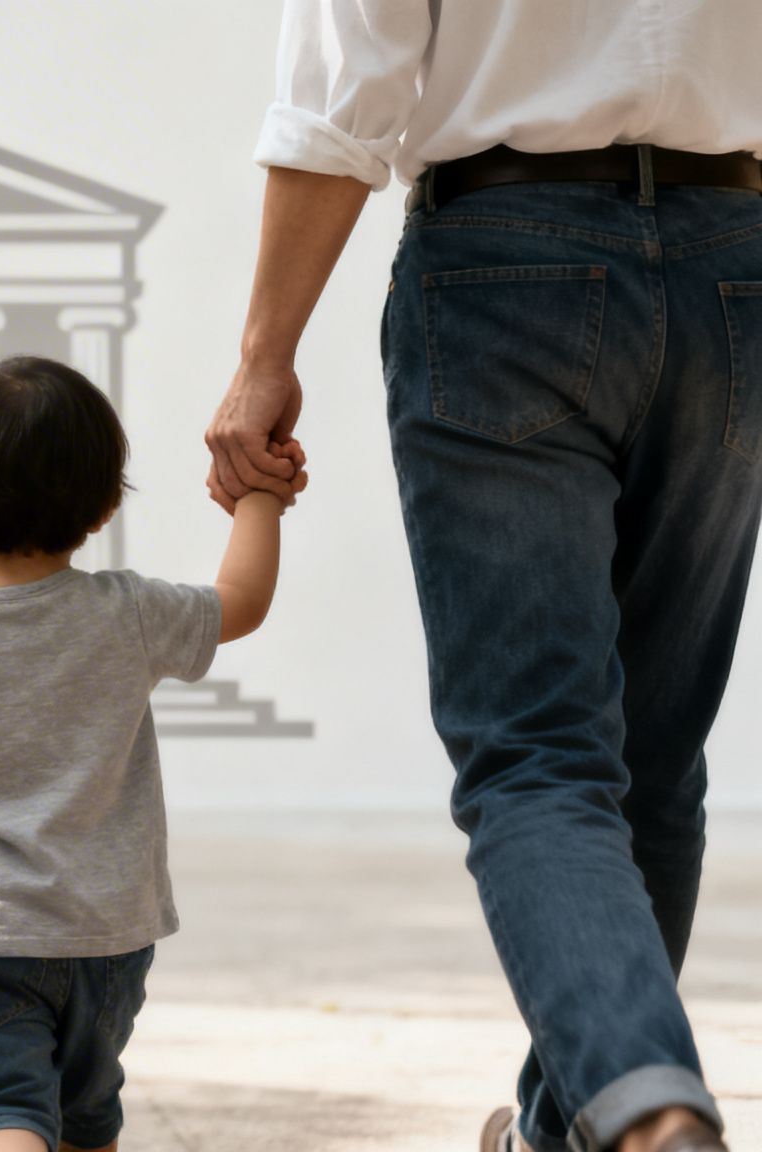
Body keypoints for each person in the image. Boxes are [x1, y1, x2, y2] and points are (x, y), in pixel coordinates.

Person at [207, 4, 762, 1151]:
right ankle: (567, 1130)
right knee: (650, 761)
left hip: (502, 265)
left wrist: (262, 360)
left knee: (538, 759)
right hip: (732, 260)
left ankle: (650, 1111)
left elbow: (336, 98)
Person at [0, 355, 297, 1152]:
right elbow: (243, 604)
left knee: (2, 1109)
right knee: (89, 1111)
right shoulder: (131, 614)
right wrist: (260, 496)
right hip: (110, 935)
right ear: (103, 506)